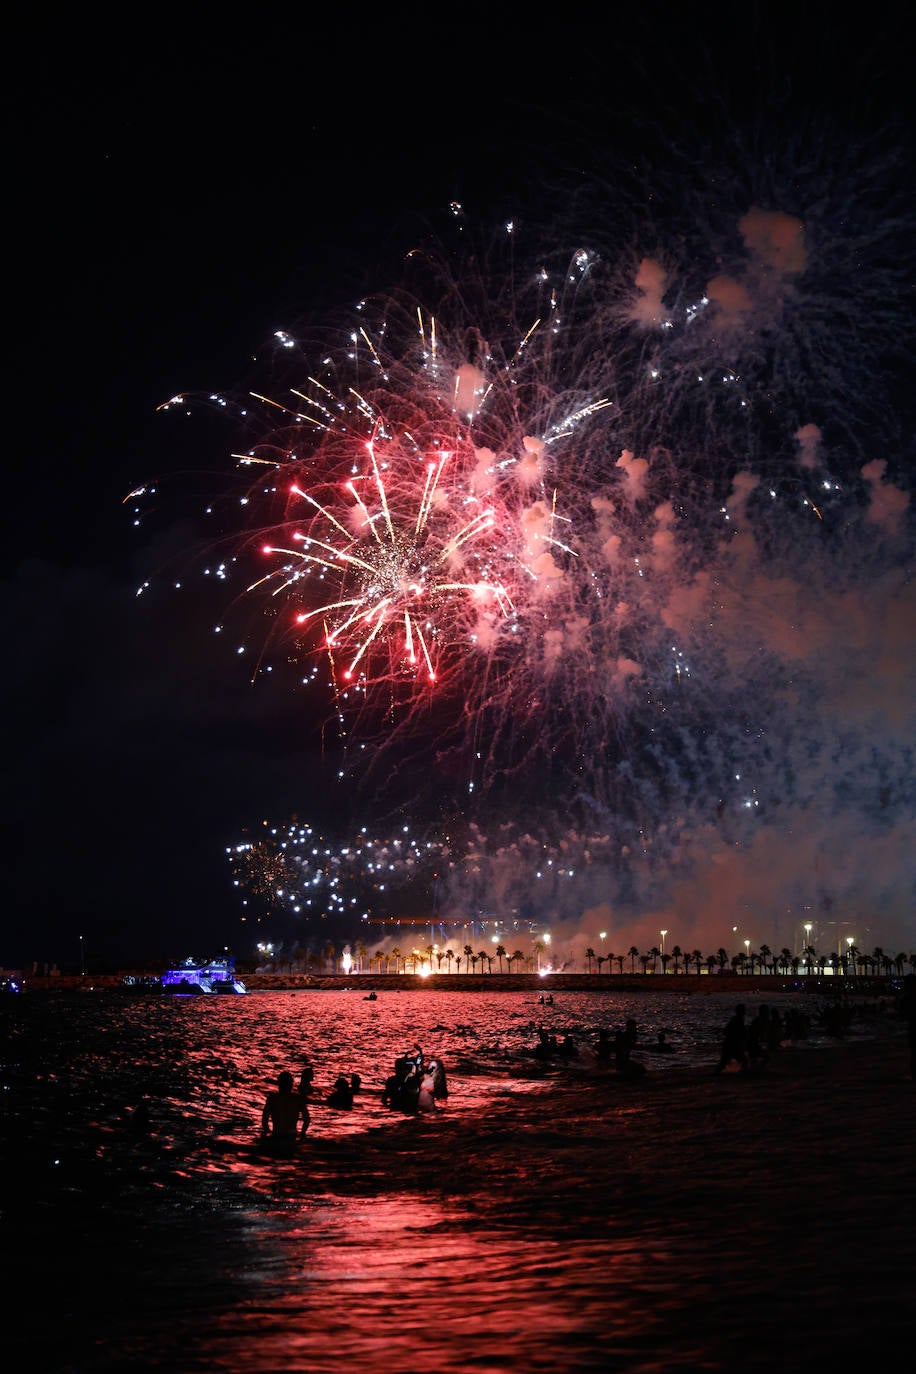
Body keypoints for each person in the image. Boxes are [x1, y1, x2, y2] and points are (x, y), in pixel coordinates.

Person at [261, 1071, 309, 1153]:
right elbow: (307, 1119)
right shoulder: (297, 1099)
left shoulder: (272, 1099)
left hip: (276, 1135)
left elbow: (264, 1120)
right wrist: (302, 1134)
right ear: (291, 1084)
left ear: (279, 1084)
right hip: (292, 1136)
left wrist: (267, 1132)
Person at [713, 1005, 748, 1074]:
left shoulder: (738, 1019)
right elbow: (727, 1031)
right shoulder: (737, 1020)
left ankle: (716, 1073)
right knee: (725, 1062)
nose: (744, 1012)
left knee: (724, 1062)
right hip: (730, 1045)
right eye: (743, 1010)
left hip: (731, 1044)